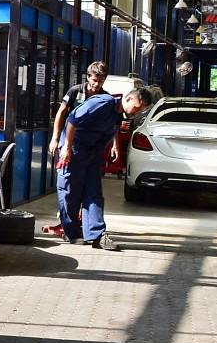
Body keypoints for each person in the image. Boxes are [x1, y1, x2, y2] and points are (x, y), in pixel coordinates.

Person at [54, 86, 154, 250]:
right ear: (128, 99)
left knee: (93, 193)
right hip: (74, 150)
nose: (136, 113)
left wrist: (113, 148)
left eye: (140, 111)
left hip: (92, 155)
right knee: (69, 191)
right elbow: (72, 120)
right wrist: (66, 148)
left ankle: (96, 235)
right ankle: (71, 232)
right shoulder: (102, 103)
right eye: (137, 108)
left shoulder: (118, 115)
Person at [42, 61, 109, 237]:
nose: (97, 84)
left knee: (88, 184)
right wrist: (55, 138)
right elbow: (61, 113)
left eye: (100, 81)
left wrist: (114, 145)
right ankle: (68, 223)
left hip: (89, 144)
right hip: (69, 141)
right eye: (94, 80)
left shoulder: (104, 97)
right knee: (68, 184)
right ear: (88, 77)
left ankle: (83, 223)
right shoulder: (75, 91)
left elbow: (111, 122)